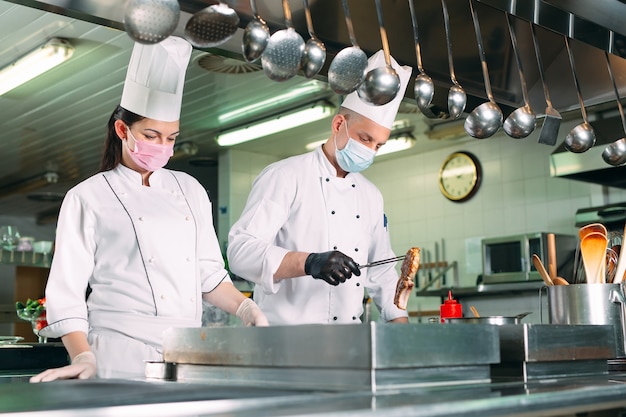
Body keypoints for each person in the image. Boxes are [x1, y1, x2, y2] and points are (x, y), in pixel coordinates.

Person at [31, 37, 267, 382]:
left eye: (171, 138)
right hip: (118, 352)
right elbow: (66, 293)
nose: (163, 147)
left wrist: (246, 308)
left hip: (187, 352)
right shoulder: (88, 197)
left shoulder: (190, 190)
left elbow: (208, 273)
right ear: (123, 130)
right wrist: (83, 355)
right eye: (152, 135)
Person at [227, 50, 412, 326]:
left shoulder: (371, 195)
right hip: (286, 342)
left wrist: (405, 333)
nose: (370, 151)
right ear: (339, 124)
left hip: (349, 344)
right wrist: (309, 262)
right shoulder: (285, 176)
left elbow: (383, 273)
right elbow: (241, 253)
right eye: (365, 138)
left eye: (378, 145)